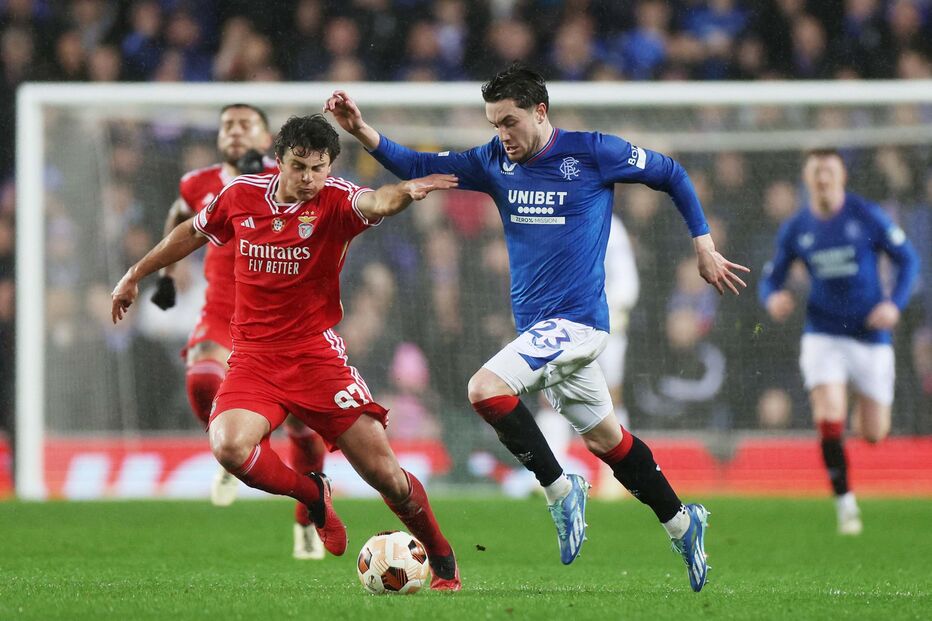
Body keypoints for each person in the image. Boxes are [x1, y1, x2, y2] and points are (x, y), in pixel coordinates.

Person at [325, 63, 749, 592]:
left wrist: (703, 244)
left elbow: (672, 174)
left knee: (484, 390)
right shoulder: (493, 161)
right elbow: (418, 162)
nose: (502, 135)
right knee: (606, 441)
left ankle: (558, 489)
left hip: (579, 324)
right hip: (541, 333)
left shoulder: (593, 151)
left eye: (510, 122)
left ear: (539, 112)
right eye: (494, 124)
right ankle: (684, 523)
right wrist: (362, 131)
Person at [112, 114, 462, 590]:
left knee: (387, 477)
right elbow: (192, 232)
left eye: (318, 168)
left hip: (316, 358)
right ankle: (313, 495)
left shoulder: (337, 200)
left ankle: (442, 558)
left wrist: (406, 191)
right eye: (298, 166)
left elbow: (377, 199)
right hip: (254, 358)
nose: (309, 178)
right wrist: (136, 273)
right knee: (229, 447)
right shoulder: (240, 196)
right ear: (278, 160)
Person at [150, 103, 330, 559]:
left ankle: (308, 519)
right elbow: (178, 217)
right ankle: (231, 448)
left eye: (245, 125)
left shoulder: (294, 173)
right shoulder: (198, 183)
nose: (234, 131)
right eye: (227, 124)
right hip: (222, 308)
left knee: (305, 433)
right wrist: (166, 275)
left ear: (269, 136)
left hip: (285, 318)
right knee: (202, 380)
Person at [760, 148, 920, 535]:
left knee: (873, 433)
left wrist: (894, 305)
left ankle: (855, 407)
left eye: (829, 171)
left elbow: (908, 259)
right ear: (807, 179)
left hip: (870, 334)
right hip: (824, 333)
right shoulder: (797, 227)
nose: (823, 179)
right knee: (827, 411)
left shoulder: (865, 215)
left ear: (842, 177)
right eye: (816, 172)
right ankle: (845, 503)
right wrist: (772, 298)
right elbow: (771, 276)